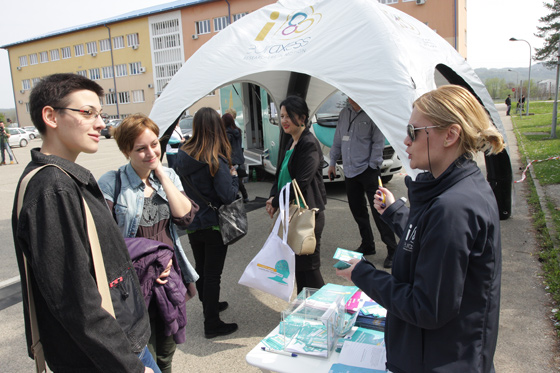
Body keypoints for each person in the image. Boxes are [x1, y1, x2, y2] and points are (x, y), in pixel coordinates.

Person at [337, 85, 504, 372]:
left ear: (450, 135)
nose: (405, 140)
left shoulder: (453, 208)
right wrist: (396, 213)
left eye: (414, 132)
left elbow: (426, 307)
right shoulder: (456, 190)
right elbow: (431, 241)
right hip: (442, 353)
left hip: (439, 360)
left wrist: (362, 273)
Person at [11, 73, 158, 372]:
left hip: (118, 345)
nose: (101, 123)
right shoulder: (53, 188)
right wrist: (131, 366)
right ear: (50, 116)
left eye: (100, 114)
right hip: (112, 357)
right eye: (87, 113)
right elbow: (76, 301)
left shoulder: (63, 178)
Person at [98, 113, 199, 373]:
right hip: (132, 282)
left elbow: (185, 217)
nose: (151, 152)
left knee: (166, 352)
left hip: (168, 277)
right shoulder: (112, 183)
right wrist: (146, 264)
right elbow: (104, 240)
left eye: (154, 144)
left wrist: (161, 176)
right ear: (125, 151)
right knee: (142, 354)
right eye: (140, 149)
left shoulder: (169, 176)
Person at [175, 107, 239, 339]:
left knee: (202, 270)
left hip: (193, 222)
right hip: (214, 224)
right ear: (216, 128)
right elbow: (228, 196)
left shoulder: (183, 155)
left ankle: (209, 305)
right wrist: (234, 178)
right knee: (212, 274)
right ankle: (211, 323)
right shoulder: (215, 159)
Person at [266, 95, 327, 294]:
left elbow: (301, 182)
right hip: (292, 213)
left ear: (302, 118)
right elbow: (280, 175)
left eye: (288, 116)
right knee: (299, 267)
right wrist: (273, 197)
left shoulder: (308, 144)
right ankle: (306, 310)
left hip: (308, 214)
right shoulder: (291, 142)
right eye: (281, 116)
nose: (284, 120)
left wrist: (276, 199)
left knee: (310, 267)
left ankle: (328, 310)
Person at [327, 97, 397, 268]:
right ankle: (368, 244)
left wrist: (373, 165)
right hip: (350, 170)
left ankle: (393, 249)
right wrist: (332, 162)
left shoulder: (372, 112)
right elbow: (337, 139)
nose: (350, 97)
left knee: (379, 210)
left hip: (368, 170)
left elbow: (378, 142)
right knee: (357, 209)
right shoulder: (344, 113)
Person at [223, 112, 249, 202]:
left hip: (231, 159)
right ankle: (245, 197)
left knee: (234, 179)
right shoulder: (238, 130)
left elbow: (226, 148)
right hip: (239, 157)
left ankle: (239, 197)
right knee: (238, 180)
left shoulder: (226, 134)